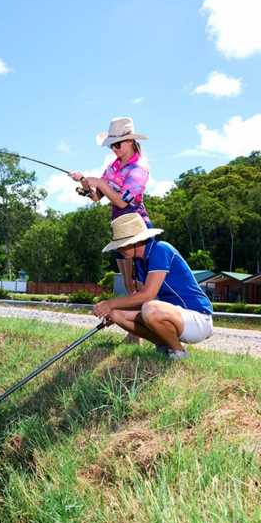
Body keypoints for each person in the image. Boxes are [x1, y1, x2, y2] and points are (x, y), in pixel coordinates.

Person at [70, 116, 151, 342]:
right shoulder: (113, 167)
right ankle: (135, 331)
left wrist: (98, 181)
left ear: (131, 142)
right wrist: (86, 185)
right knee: (127, 283)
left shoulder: (139, 168)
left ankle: (139, 331)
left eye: (118, 144)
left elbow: (123, 201)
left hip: (136, 228)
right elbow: (98, 197)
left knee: (140, 283)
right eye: (112, 145)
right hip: (118, 228)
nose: (115, 148)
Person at [92, 213, 213, 360]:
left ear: (136, 241)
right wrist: (111, 309)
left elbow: (148, 295)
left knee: (150, 308)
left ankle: (179, 352)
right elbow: (140, 299)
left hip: (198, 318)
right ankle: (164, 346)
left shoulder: (161, 250)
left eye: (122, 245)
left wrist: (110, 303)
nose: (119, 250)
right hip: (174, 316)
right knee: (116, 314)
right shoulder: (141, 261)